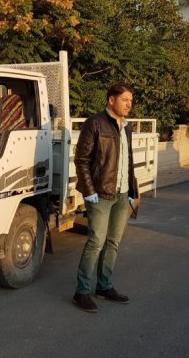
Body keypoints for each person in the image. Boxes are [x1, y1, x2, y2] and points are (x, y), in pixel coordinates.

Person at [72, 81, 139, 313]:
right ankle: (81, 291)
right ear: (111, 99)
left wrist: (133, 192)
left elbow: (128, 163)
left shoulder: (127, 128)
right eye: (125, 100)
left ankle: (104, 286)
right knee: (96, 242)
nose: (129, 104)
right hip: (100, 194)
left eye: (131, 100)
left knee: (113, 242)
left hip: (121, 194)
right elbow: (81, 160)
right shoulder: (95, 124)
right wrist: (89, 191)